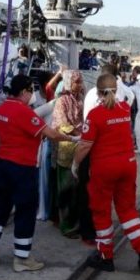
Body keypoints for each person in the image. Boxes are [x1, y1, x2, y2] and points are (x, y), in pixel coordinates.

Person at [0, 75, 78, 272]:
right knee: (25, 209)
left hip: (3, 164)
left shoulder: (2, 109)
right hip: (22, 167)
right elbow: (51, 133)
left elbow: (5, 134)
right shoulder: (23, 111)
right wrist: (72, 138)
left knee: (1, 205)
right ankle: (22, 258)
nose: (32, 94)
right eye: (31, 91)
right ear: (24, 91)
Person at [71, 74, 140, 272]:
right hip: (128, 164)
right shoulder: (124, 109)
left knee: (101, 212)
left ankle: (105, 257)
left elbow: (84, 146)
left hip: (104, 168)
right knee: (128, 210)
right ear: (117, 89)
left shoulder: (95, 115)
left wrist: (75, 164)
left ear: (97, 91)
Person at [51, 70, 85, 238]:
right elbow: (63, 124)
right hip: (66, 148)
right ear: (68, 83)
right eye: (76, 82)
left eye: (80, 82)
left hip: (79, 148)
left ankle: (76, 222)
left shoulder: (79, 99)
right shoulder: (62, 101)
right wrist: (79, 134)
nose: (79, 85)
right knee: (66, 189)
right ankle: (67, 226)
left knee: (77, 189)